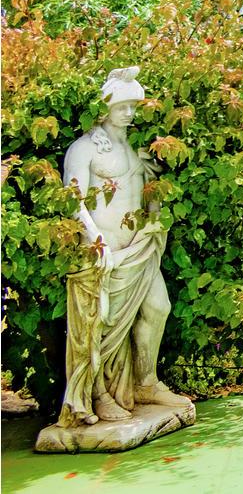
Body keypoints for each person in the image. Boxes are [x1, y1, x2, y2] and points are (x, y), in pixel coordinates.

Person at [56, 67, 190, 428]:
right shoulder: (84, 147)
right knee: (102, 327)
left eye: (133, 106)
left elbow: (146, 190)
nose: (129, 113)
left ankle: (146, 384)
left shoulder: (133, 146)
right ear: (104, 108)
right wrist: (94, 240)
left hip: (139, 247)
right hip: (107, 253)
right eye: (121, 107)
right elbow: (73, 198)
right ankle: (98, 395)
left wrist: (154, 215)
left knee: (159, 307)